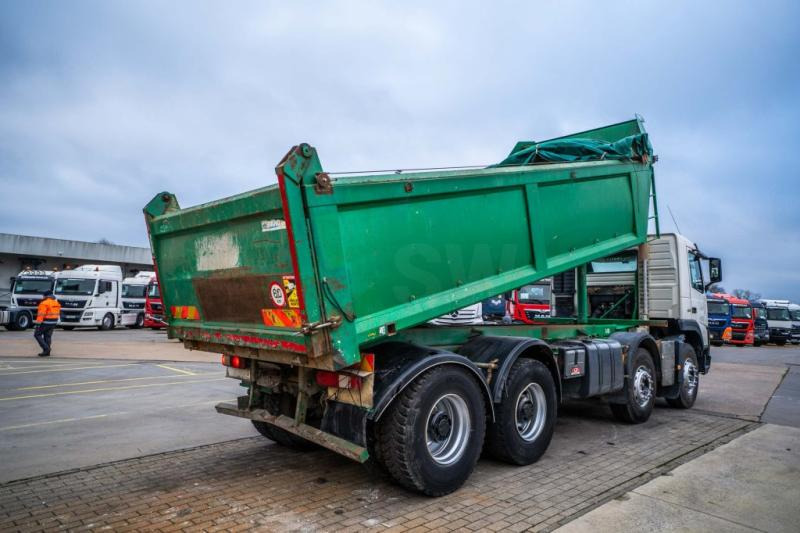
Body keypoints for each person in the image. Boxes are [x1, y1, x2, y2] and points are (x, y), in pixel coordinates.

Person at [34, 290, 61, 357]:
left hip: (46, 322)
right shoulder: (56, 303)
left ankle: (46, 349)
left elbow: (41, 314)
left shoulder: (44, 303)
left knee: (37, 334)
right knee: (48, 336)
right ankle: (47, 352)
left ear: (46, 296)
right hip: (53, 322)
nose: (42, 297)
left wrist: (38, 324)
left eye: (43, 295)